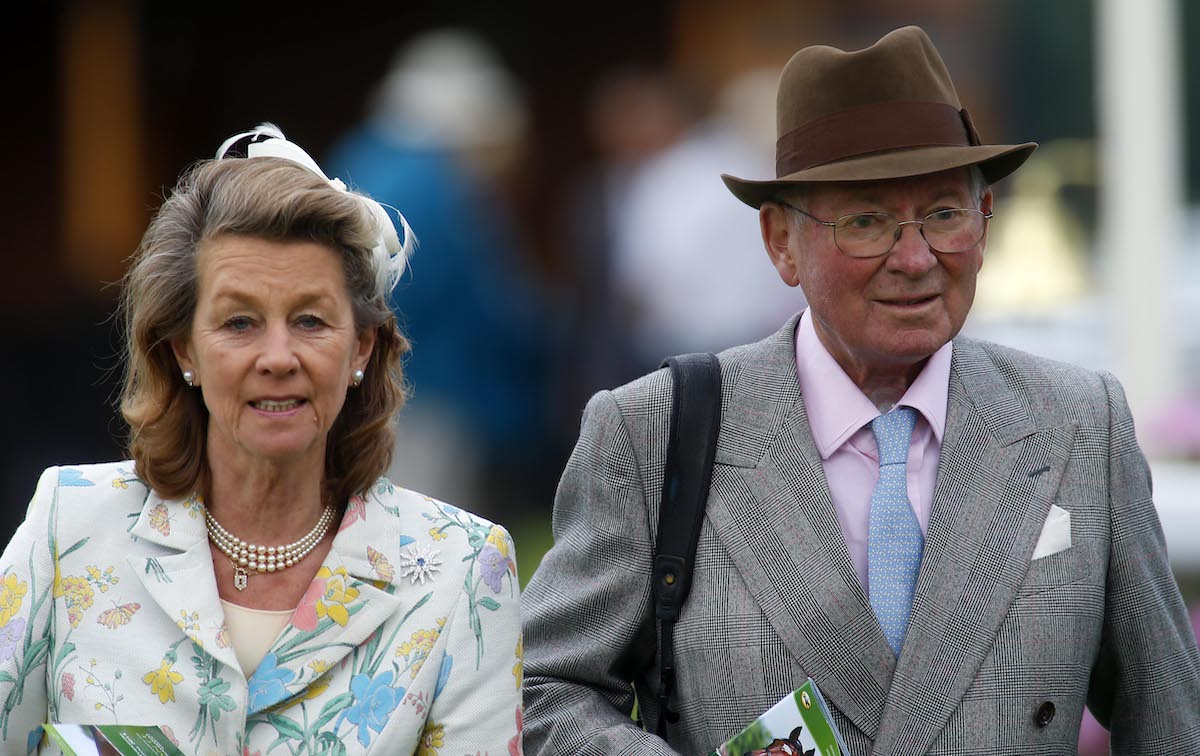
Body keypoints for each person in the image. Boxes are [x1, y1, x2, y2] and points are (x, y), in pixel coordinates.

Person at [522, 26, 1200, 755]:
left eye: (944, 214)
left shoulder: (1075, 424)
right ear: (781, 242)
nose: (915, 259)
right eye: (867, 222)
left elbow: (1166, 717)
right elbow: (544, 692)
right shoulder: (657, 432)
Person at [0, 125, 523, 754]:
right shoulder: (70, 527)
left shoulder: (461, 570)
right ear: (183, 349)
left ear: (362, 347)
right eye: (239, 322)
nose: (278, 357)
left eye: (310, 320)